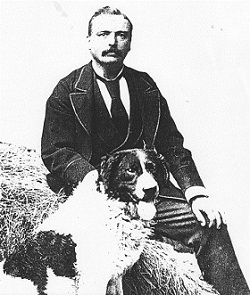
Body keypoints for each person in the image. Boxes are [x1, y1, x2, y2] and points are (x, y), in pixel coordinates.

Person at [41, 6, 249, 295]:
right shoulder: (66, 91)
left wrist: (196, 193)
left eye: (121, 35)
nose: (112, 42)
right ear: (88, 40)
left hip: (151, 193)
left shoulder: (145, 86)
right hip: (97, 197)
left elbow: (172, 145)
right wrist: (90, 179)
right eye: (103, 34)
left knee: (210, 225)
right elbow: (55, 150)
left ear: (130, 42)